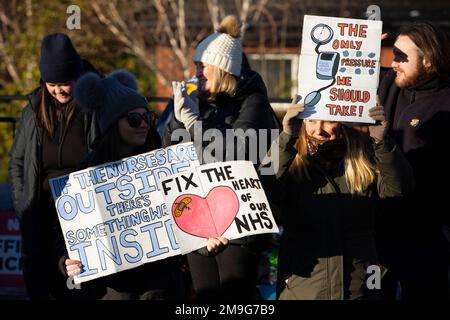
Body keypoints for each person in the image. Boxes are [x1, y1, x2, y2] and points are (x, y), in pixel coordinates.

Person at [163, 15, 281, 300]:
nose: (197, 73)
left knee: (235, 297)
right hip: (198, 224)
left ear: (222, 69)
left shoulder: (254, 103)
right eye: (196, 66)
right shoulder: (198, 103)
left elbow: (239, 152)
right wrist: (178, 122)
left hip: (239, 226)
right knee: (204, 297)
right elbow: (169, 154)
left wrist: (194, 125)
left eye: (203, 66)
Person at [259, 99, 414, 300]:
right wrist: (286, 137)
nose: (318, 130)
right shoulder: (290, 156)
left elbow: (399, 188)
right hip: (303, 287)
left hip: (361, 287)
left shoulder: (364, 155)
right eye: (311, 121)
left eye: (328, 120)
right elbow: (262, 190)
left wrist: (382, 142)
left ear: (344, 122)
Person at [63, 69, 183, 300]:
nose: (144, 125)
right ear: (111, 125)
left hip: (159, 282)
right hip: (116, 286)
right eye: (134, 119)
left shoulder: (162, 163)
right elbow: (66, 234)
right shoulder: (85, 173)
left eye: (147, 117)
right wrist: (66, 261)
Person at [8, 33, 99, 300]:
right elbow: (18, 160)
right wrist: (22, 203)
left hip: (82, 218)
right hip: (40, 215)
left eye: (65, 83)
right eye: (51, 83)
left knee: (77, 289)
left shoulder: (93, 107)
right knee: (40, 284)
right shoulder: (33, 110)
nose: (58, 90)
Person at [376, 22, 450, 300]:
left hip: (427, 237)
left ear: (429, 60)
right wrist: (361, 47)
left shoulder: (446, 102)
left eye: (401, 57)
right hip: (381, 231)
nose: (393, 63)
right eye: (393, 54)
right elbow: (346, 77)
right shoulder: (391, 84)